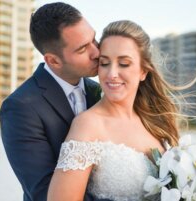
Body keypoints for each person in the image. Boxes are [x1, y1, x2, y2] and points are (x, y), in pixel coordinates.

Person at [47, 20, 180, 201]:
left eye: (124, 63)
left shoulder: (155, 120)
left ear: (143, 71)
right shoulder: (88, 125)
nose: (111, 74)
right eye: (104, 63)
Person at [0, 3, 104, 201]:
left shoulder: (100, 90)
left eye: (94, 39)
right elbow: (43, 193)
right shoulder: (20, 107)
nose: (96, 52)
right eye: (82, 49)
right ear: (53, 61)